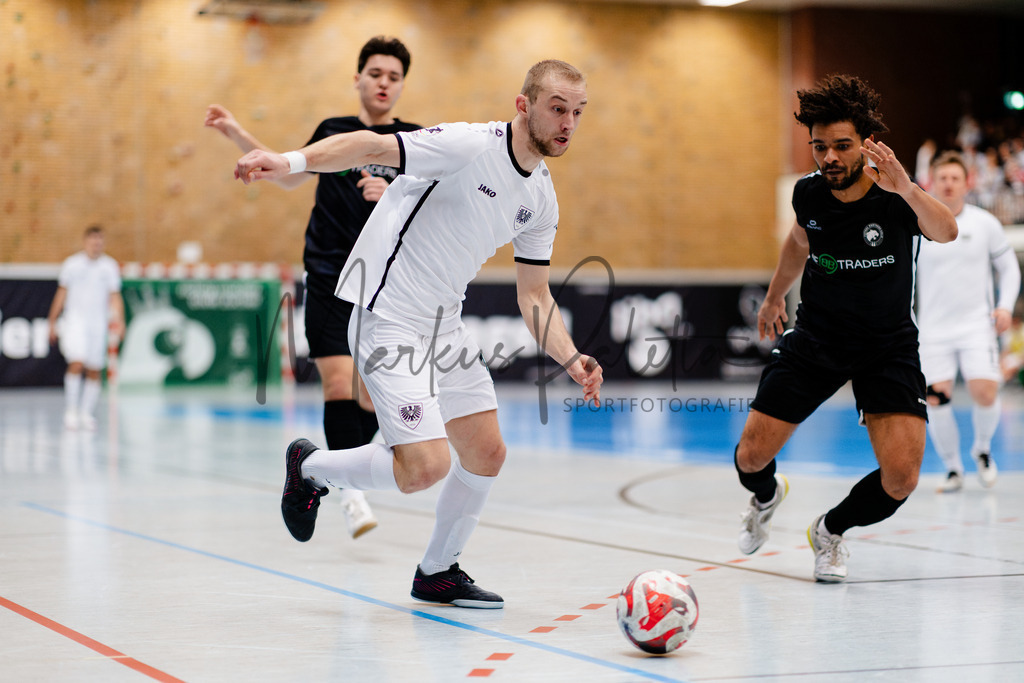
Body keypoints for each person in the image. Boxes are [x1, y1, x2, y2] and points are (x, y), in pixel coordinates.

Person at [234, 59, 602, 608]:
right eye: (557, 108)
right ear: (523, 105)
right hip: (387, 313)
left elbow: (534, 295)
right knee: (424, 468)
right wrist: (290, 160)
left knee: (486, 452)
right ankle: (309, 468)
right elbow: (369, 145)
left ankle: (437, 572)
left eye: (577, 112)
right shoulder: (467, 145)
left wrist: (571, 358)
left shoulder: (541, 198)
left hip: (443, 323)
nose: (568, 123)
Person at [733, 75, 958, 583]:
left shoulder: (896, 197)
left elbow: (947, 231)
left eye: (841, 145)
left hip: (887, 345)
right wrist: (773, 296)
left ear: (865, 144)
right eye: (820, 147)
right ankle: (766, 497)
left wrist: (907, 188)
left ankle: (829, 530)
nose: (829, 157)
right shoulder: (809, 194)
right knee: (750, 457)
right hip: (817, 339)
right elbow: (798, 243)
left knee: (900, 478)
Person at [205, 36, 422, 539]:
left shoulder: (413, 141)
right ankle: (351, 496)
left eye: (393, 76)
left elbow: (435, 209)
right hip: (328, 274)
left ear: (401, 85)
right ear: (358, 78)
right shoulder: (334, 132)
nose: (383, 83)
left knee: (372, 399)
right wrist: (238, 134)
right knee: (338, 384)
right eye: (375, 73)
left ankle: (326, 469)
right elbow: (288, 174)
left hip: (384, 285)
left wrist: (394, 194)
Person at [917, 151, 1021, 492]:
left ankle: (983, 450)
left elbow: (1009, 269)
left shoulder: (984, 223)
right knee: (936, 397)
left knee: (985, 391)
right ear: (932, 182)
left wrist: (1004, 307)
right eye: (942, 178)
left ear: (967, 183)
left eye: (955, 178)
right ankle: (952, 469)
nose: (948, 184)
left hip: (977, 326)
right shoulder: (917, 226)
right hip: (933, 331)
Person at [47, 225, 124, 431]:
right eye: (93, 240)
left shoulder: (109, 267)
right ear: (85, 241)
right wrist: (52, 321)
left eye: (100, 240)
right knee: (77, 361)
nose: (96, 244)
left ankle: (86, 412)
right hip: (75, 322)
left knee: (94, 369)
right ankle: (71, 410)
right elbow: (62, 293)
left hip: (98, 324)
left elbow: (115, 296)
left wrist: (120, 321)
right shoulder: (72, 265)